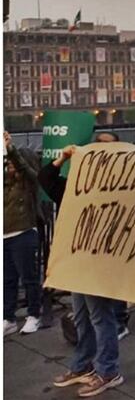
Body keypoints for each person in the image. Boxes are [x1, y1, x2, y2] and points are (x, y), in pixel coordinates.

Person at [41, 135, 126, 397]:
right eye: (97, 141)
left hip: (98, 263)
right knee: (81, 316)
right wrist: (63, 158)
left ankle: (109, 370)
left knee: (101, 317)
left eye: (107, 143)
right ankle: (83, 365)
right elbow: (45, 180)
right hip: (76, 262)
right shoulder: (74, 186)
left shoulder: (121, 187)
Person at [4, 131, 43, 336]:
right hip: (5, 236)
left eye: (12, 165)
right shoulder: (6, 184)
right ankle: (8, 318)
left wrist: (11, 149)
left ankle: (34, 315)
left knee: (29, 278)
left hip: (23, 233)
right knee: (8, 280)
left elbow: (24, 169)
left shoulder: (28, 184)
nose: (9, 167)